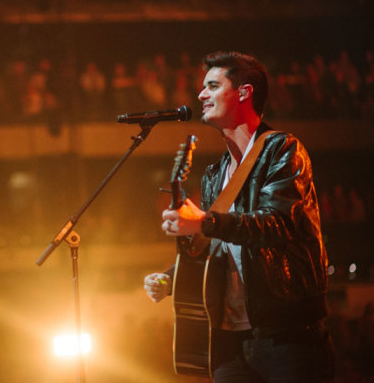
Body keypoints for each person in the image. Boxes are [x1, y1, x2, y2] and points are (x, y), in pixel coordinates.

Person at [143, 51, 334, 382]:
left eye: (213, 86)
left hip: (286, 337)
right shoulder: (215, 174)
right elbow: (218, 246)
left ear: (245, 92)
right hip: (228, 342)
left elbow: (278, 224)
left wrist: (204, 222)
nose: (201, 94)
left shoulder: (283, 150)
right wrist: (172, 277)